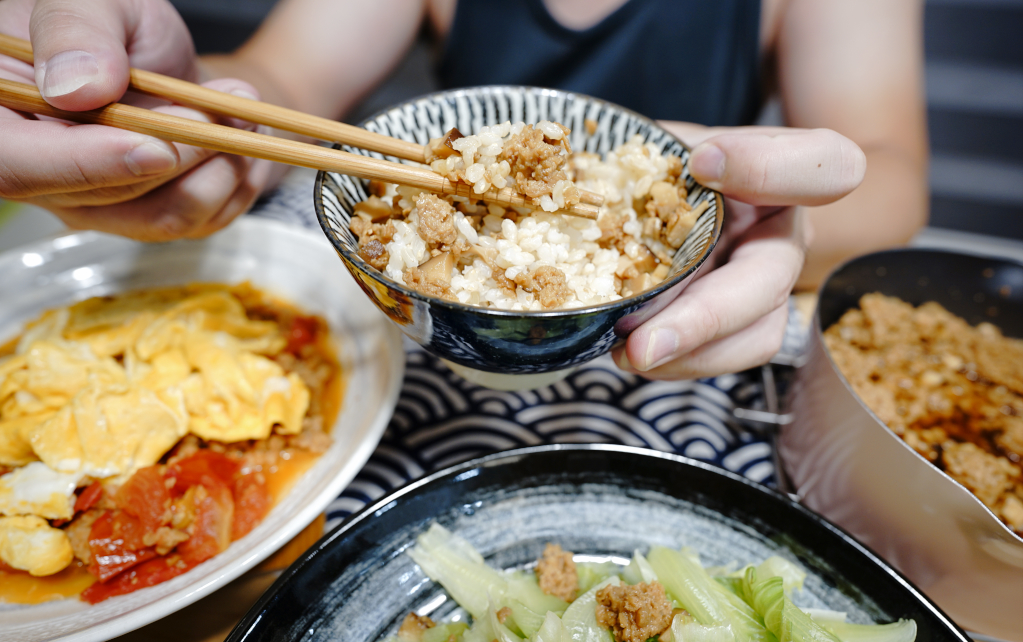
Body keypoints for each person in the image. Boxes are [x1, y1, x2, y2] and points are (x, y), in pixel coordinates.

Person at [0, 0, 928, 381]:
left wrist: (773, 202)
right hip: (428, 356)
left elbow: (890, 173)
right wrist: (192, 109)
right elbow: (281, 82)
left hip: (688, 344)